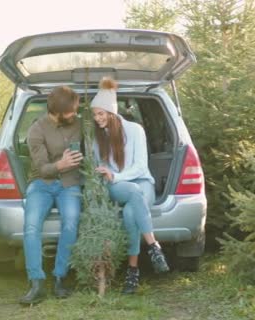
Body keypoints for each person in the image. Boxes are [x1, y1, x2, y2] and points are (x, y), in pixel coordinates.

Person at [90, 77, 170, 294]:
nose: (97, 119)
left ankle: (132, 272)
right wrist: (109, 175)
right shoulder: (98, 138)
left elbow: (140, 166)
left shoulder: (135, 130)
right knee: (132, 193)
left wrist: (117, 176)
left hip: (141, 181)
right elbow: (101, 166)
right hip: (116, 185)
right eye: (95, 114)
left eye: (101, 114)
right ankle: (153, 246)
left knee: (129, 214)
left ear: (112, 113)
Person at [20, 86, 83, 305]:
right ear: (57, 110)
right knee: (30, 226)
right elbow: (42, 168)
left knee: (71, 222)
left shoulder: (79, 124)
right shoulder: (36, 130)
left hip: (70, 183)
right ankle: (36, 283)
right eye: (70, 111)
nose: (74, 114)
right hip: (42, 183)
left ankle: (60, 278)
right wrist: (62, 164)